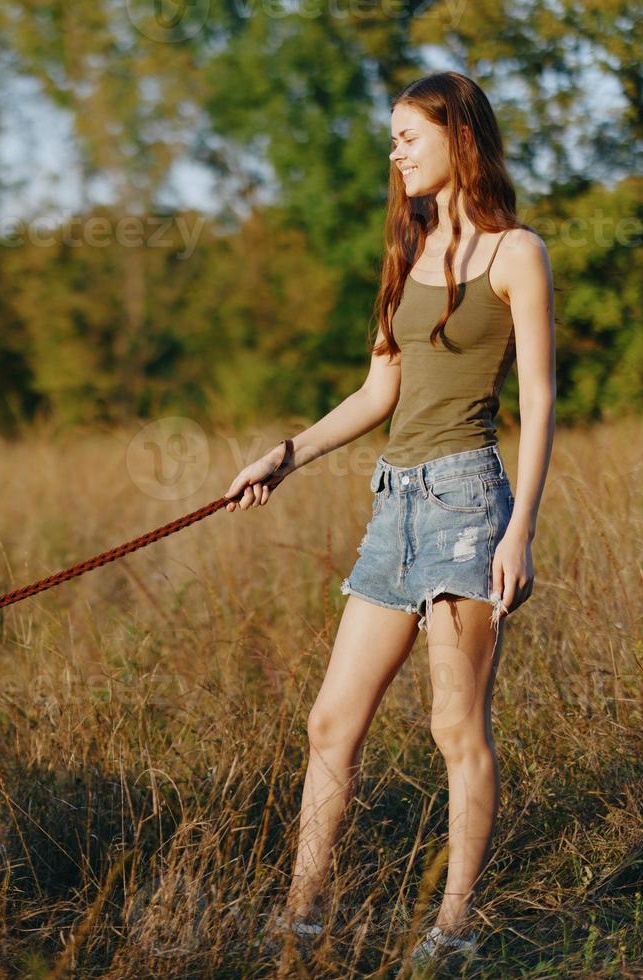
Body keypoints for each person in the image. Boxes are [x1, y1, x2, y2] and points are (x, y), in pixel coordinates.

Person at [221, 70, 556, 967]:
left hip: (467, 510)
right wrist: (286, 456)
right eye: (392, 138)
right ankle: (302, 916)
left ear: (460, 137)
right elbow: (380, 390)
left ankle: (453, 932)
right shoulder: (407, 252)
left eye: (409, 135)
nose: (396, 152)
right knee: (330, 722)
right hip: (392, 509)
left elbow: (540, 398)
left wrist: (519, 531)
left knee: (456, 729)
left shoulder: (514, 252)